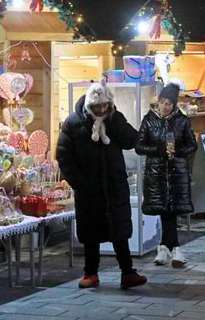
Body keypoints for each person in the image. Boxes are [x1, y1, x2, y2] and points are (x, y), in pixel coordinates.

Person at [56, 78, 147, 289]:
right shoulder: (73, 123)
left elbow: (131, 140)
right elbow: (63, 156)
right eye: (98, 106)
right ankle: (91, 273)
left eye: (106, 105)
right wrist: (79, 183)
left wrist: (114, 122)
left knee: (120, 230)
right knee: (90, 233)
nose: (102, 109)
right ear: (90, 105)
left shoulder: (115, 119)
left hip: (114, 185)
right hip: (89, 188)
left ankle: (128, 271)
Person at [136, 83, 198, 268]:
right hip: (156, 173)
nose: (165, 107)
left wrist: (178, 151)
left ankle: (165, 247)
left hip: (177, 171)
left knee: (172, 209)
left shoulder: (182, 121)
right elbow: (139, 146)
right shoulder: (149, 120)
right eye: (162, 103)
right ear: (158, 102)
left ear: (174, 105)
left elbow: (192, 144)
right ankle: (174, 248)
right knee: (165, 209)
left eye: (169, 104)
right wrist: (158, 150)